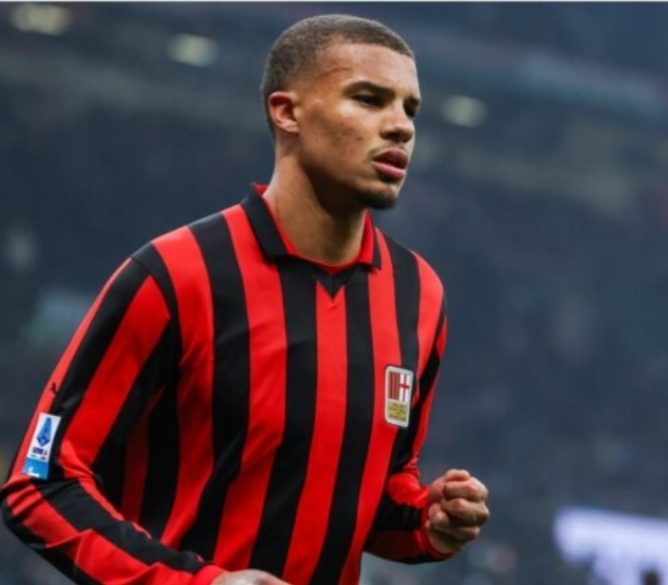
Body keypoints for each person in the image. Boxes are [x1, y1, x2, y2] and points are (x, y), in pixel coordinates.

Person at [1, 14, 489, 585]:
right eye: (368, 99)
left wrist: (427, 520)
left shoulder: (419, 294)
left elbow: (372, 490)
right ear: (287, 112)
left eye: (410, 109)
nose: (400, 127)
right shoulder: (175, 275)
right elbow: (40, 483)